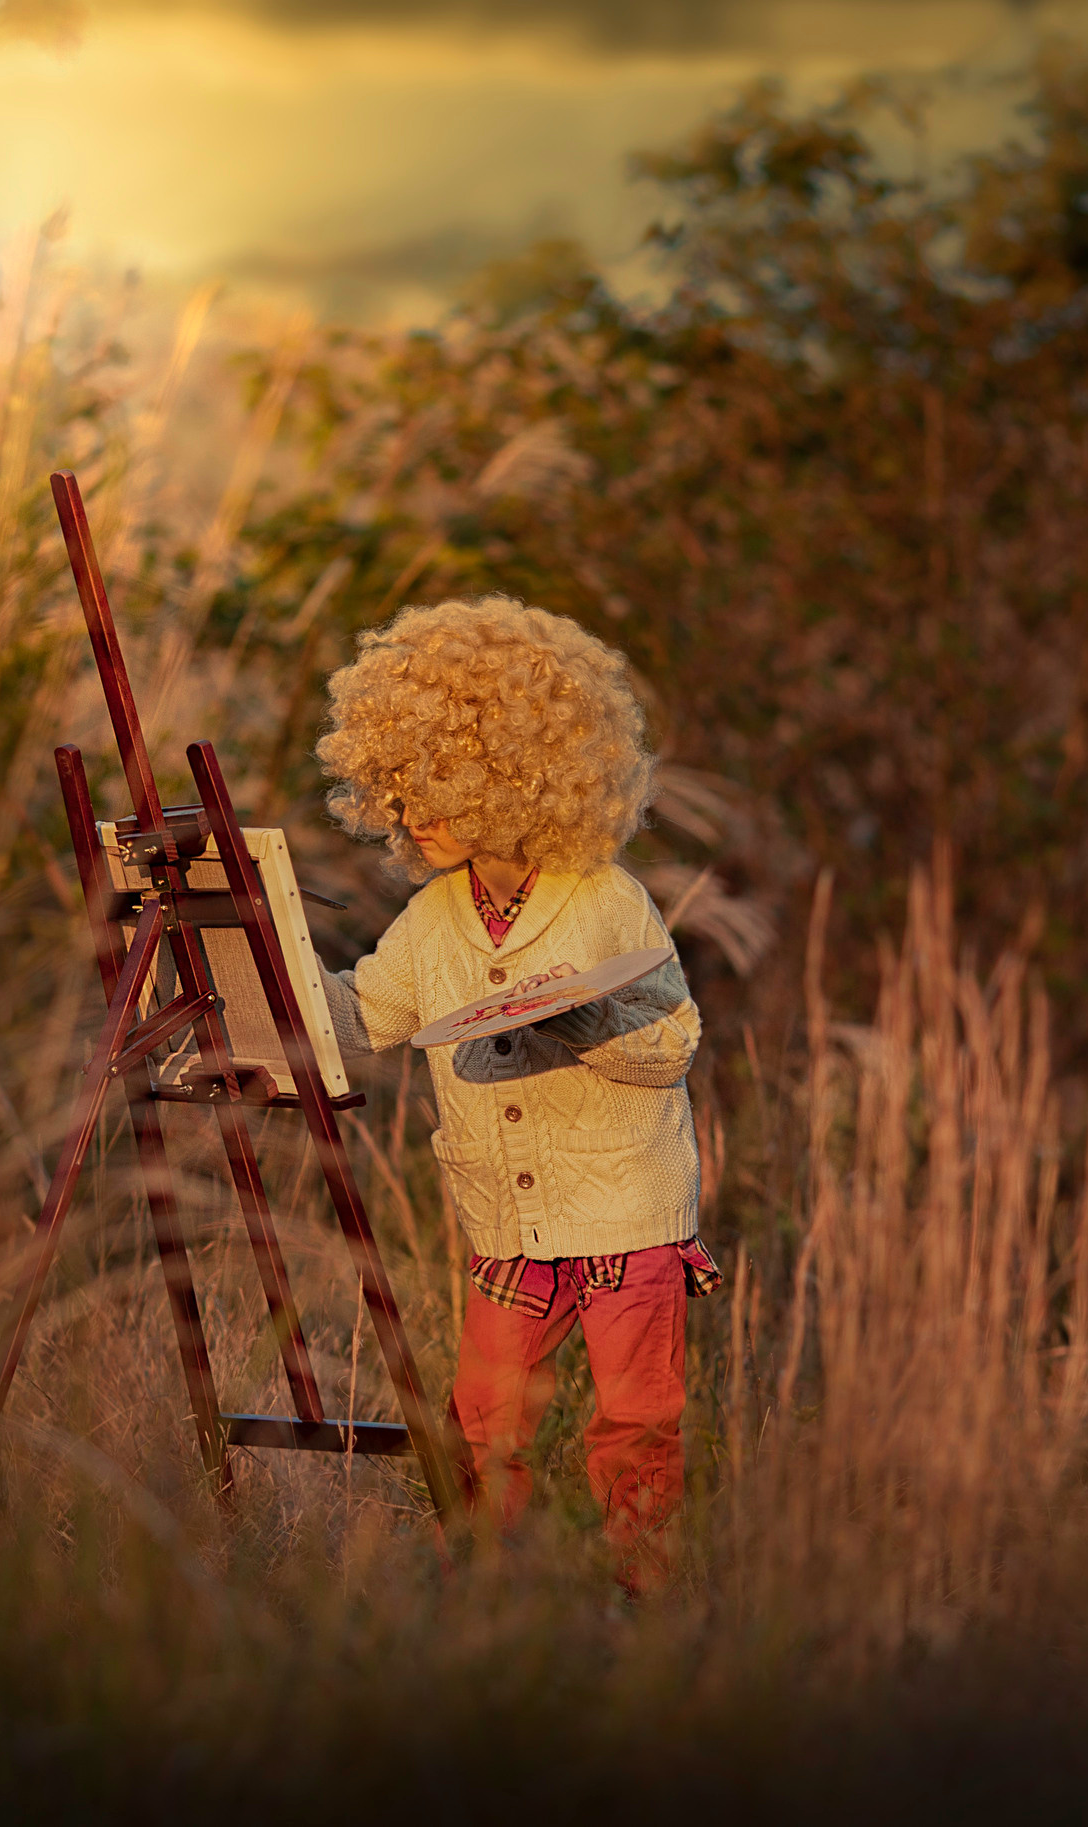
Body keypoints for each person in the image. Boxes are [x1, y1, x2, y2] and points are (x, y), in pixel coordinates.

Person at [312, 594, 717, 1589]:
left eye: (446, 783)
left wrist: (574, 1022)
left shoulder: (604, 897)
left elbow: (669, 1043)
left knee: (634, 1422)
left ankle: (643, 1589)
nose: (417, 812)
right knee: (485, 1425)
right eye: (401, 788)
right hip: (510, 1225)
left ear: (519, 779)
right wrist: (263, 960)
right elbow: (366, 1013)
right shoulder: (434, 914)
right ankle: (486, 1591)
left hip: (625, 1214)